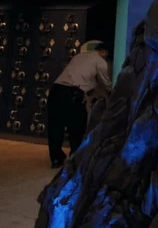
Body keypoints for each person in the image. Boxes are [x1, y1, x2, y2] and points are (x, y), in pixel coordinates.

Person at [45, 39, 112, 169]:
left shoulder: (79, 56)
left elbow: (81, 75)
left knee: (55, 127)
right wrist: (113, 93)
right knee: (77, 127)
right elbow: (106, 82)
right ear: (103, 52)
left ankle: (56, 159)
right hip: (73, 95)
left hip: (56, 90)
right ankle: (75, 158)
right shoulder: (100, 61)